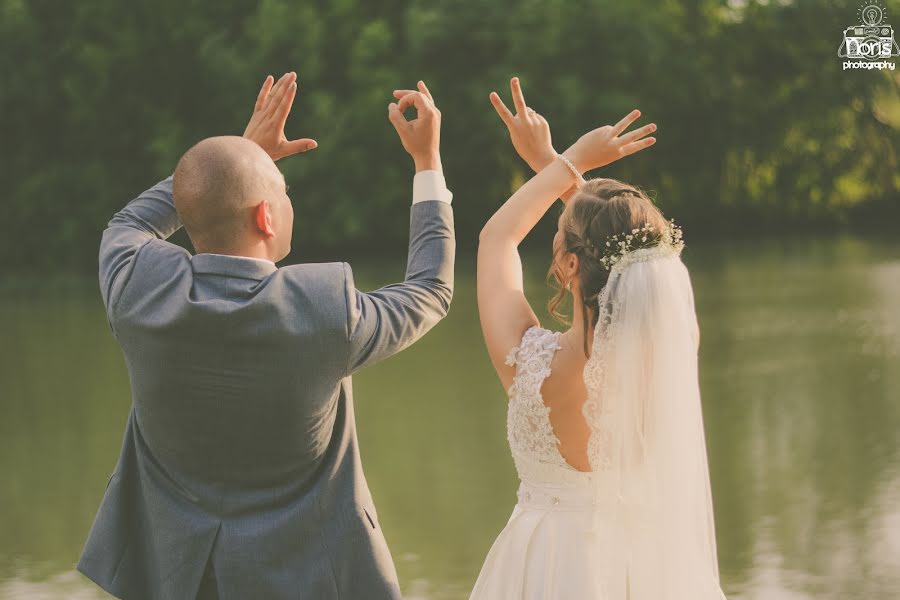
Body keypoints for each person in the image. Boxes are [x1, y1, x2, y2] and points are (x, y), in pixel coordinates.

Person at [77, 72, 455, 600]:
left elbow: (131, 221)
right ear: (266, 215)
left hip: (175, 580)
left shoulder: (135, 285)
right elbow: (430, 290)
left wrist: (242, 154)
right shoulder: (325, 311)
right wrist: (427, 163)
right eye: (283, 190)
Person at [471, 77, 727, 599]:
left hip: (543, 563)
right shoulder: (676, 346)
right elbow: (616, 253)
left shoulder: (530, 365)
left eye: (561, 237)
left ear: (569, 264)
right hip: (645, 564)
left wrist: (566, 162)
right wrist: (558, 165)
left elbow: (497, 238)